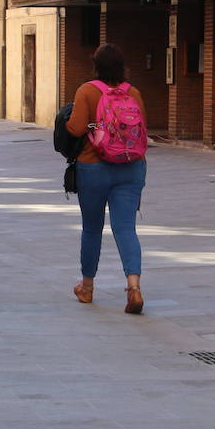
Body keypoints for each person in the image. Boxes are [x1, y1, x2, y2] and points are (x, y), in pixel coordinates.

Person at [65, 43, 148, 314]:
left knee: (92, 229)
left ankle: (87, 287)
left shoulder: (87, 90)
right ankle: (134, 287)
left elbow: (76, 128)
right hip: (131, 167)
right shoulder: (133, 93)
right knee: (126, 228)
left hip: (94, 168)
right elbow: (142, 131)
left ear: (96, 66)